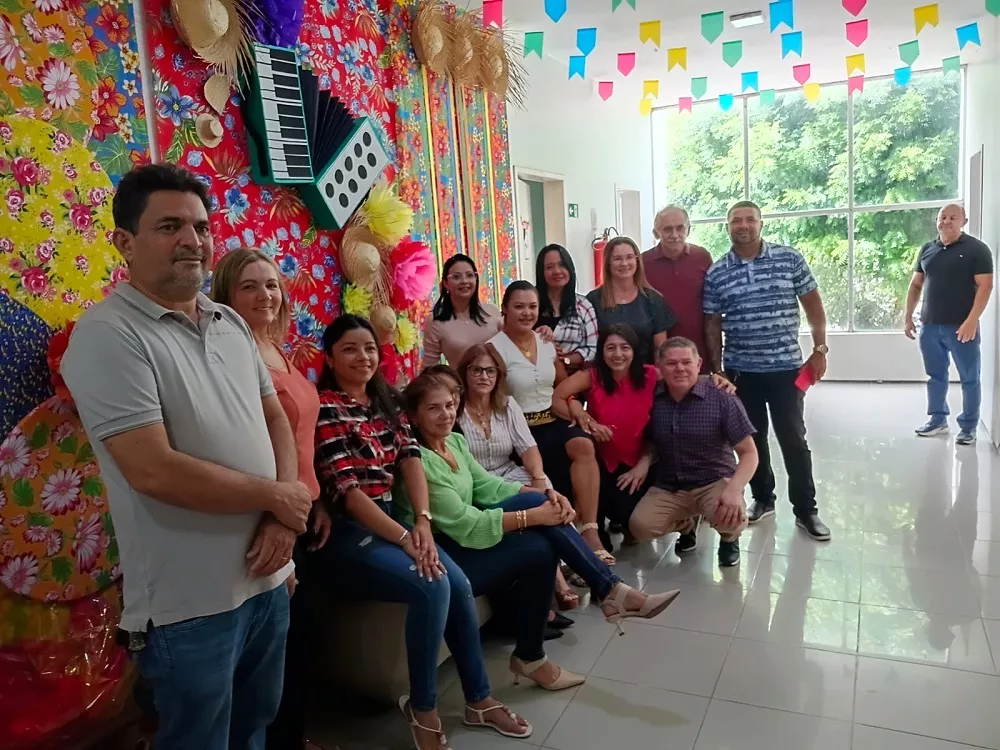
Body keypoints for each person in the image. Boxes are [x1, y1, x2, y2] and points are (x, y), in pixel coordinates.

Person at [61, 164, 313, 750]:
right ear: (124, 241)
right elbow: (152, 468)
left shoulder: (228, 321)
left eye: (200, 226)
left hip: (267, 580)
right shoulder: (108, 334)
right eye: (169, 225)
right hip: (190, 605)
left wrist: (280, 516)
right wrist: (279, 495)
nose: (192, 240)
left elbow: (275, 414)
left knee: (255, 727)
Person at [311, 315, 528, 750]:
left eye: (369, 348)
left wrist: (422, 521)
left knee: (459, 583)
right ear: (331, 358)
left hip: (398, 518)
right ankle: (423, 706)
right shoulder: (327, 407)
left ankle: (479, 699)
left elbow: (410, 457)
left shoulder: (386, 399)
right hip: (353, 531)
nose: (363, 356)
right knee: (432, 583)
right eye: (350, 349)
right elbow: (349, 492)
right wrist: (405, 538)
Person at [399, 370, 681, 658]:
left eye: (449, 405)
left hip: (470, 538)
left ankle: (532, 657)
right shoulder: (418, 461)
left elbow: (488, 485)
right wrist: (535, 515)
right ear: (413, 415)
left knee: (543, 544)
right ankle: (610, 591)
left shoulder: (454, 443)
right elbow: (467, 525)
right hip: (450, 554)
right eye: (433, 408)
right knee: (536, 516)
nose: (446, 414)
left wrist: (544, 493)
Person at [208, 248, 331, 750]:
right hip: (270, 521)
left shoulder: (280, 348)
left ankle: (295, 739)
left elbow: (300, 439)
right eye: (249, 286)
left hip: (302, 513)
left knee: (302, 644)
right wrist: (278, 527)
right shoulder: (230, 356)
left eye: (272, 285)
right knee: (274, 658)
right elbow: (242, 450)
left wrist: (316, 499)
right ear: (226, 296)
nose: (264, 295)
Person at [704, 200, 831, 542]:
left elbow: (814, 306)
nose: (742, 226)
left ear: (761, 223)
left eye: (749, 220)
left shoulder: (789, 258)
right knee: (752, 439)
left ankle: (806, 511)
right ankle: (763, 499)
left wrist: (820, 348)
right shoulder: (717, 272)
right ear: (727, 226)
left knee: (793, 438)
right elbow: (713, 324)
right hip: (741, 371)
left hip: (787, 369)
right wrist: (717, 369)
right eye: (735, 221)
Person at [489, 281, 608, 562]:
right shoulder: (493, 348)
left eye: (532, 307)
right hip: (519, 429)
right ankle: (559, 546)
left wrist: (576, 411)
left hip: (552, 418)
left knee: (583, 445)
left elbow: (561, 384)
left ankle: (589, 530)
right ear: (505, 309)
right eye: (518, 306)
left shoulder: (545, 341)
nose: (526, 313)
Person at [454, 344, 579, 613]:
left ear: (499, 376)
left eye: (490, 371)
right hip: (479, 483)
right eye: (476, 370)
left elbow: (528, 447)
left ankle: (561, 572)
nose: (484, 377)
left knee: (544, 486)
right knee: (537, 503)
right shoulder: (454, 409)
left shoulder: (507, 404)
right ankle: (561, 581)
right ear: (464, 373)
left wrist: (536, 478)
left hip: (509, 471)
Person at [629, 338, 759, 568]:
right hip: (671, 484)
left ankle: (729, 539)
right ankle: (686, 526)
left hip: (713, 480)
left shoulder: (722, 396)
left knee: (733, 519)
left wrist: (734, 489)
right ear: (659, 366)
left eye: (686, 362)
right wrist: (644, 461)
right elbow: (651, 442)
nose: (679, 369)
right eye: (671, 363)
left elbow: (749, 453)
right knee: (640, 527)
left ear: (699, 364)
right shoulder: (653, 398)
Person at [552, 325, 658, 553]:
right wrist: (585, 419)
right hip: (601, 462)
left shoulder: (650, 374)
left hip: (639, 461)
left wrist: (719, 381)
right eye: (610, 348)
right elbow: (557, 397)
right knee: (600, 533)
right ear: (602, 352)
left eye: (624, 348)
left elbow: (686, 378)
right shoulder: (593, 375)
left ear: (634, 350)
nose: (617, 354)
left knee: (631, 518)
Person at [904, 203, 994, 445]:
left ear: (963, 221)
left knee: (969, 378)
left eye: (953, 217)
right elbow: (915, 285)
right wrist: (908, 316)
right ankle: (938, 420)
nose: (946, 221)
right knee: (935, 376)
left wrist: (971, 321)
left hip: (962, 327)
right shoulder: (927, 249)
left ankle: (968, 426)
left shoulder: (977, 250)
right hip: (929, 326)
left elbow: (985, 287)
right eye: (942, 217)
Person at [642, 206, 714, 369]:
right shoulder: (642, 262)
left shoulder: (702, 257)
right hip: (656, 356)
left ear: (688, 229)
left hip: (697, 354)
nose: (674, 235)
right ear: (655, 233)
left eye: (680, 228)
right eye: (667, 229)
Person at [586, 236, 676, 366]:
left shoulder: (653, 300)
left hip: (645, 376)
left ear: (637, 260)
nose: (624, 263)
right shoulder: (593, 300)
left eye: (629, 257)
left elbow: (660, 348)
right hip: (605, 376)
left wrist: (657, 376)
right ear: (608, 263)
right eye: (617, 259)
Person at [421, 254, 501, 369]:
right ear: (445, 283)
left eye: (469, 275)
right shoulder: (435, 321)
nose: (464, 281)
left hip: (496, 384)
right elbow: (429, 368)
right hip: (461, 385)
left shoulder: (493, 312)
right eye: (456, 277)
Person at [534, 244, 599, 374]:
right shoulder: (530, 302)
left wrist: (564, 360)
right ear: (541, 272)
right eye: (549, 267)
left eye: (562, 265)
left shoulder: (583, 306)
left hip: (573, 378)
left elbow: (592, 348)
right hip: (532, 375)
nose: (557, 271)